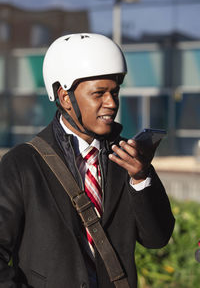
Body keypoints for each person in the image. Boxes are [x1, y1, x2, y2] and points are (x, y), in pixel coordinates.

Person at [0, 33, 175, 288]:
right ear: (64, 97)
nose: (111, 103)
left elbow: (156, 238)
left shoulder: (129, 158)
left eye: (115, 92)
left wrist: (141, 178)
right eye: (99, 93)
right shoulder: (22, 164)